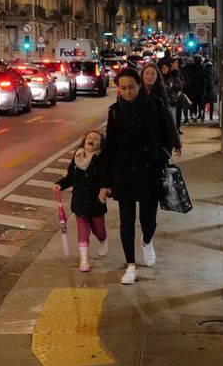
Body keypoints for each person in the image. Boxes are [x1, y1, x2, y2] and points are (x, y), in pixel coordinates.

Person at [99, 66, 181, 283]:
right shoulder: (115, 111)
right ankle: (131, 266)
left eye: (131, 87)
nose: (127, 92)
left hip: (149, 171)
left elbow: (168, 134)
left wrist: (161, 155)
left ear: (139, 86)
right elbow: (110, 148)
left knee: (148, 221)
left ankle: (147, 240)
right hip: (124, 172)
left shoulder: (155, 105)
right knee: (126, 222)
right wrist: (104, 183)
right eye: (123, 88)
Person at [53, 129, 109, 272]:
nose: (92, 140)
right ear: (84, 141)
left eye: (96, 139)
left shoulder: (101, 159)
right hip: (79, 202)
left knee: (99, 230)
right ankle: (84, 260)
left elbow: (106, 179)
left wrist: (106, 190)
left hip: (96, 203)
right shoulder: (77, 157)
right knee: (83, 230)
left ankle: (103, 240)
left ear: (100, 144)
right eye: (89, 137)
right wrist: (60, 184)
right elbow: (70, 177)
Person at [182, 55, 206, 122]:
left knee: (194, 103)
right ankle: (202, 115)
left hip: (193, 88)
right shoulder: (202, 68)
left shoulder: (192, 68)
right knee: (201, 103)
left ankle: (195, 117)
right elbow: (205, 78)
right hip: (201, 89)